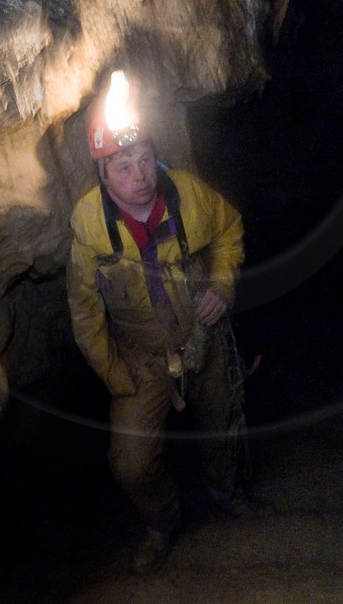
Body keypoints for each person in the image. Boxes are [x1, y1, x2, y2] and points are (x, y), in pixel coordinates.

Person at [67, 72, 267, 575]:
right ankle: (163, 523)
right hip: (142, 357)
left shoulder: (188, 195)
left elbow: (230, 230)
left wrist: (222, 286)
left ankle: (226, 496)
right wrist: (116, 376)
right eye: (122, 167)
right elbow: (85, 313)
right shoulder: (90, 227)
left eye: (142, 161)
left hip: (205, 337)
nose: (139, 176)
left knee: (220, 427)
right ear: (103, 175)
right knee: (131, 463)